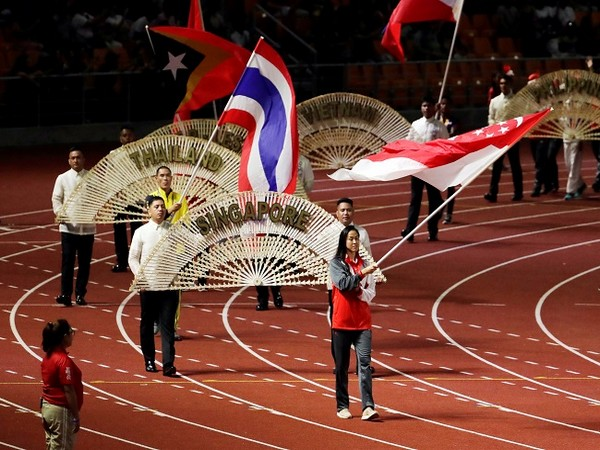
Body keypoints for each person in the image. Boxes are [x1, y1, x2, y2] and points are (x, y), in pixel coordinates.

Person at [330, 225, 379, 421]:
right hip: (342, 323)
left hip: (362, 323)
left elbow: (370, 292)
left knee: (365, 365)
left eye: (356, 239)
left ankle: (368, 406)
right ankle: (342, 405)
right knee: (342, 366)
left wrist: (359, 291)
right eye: (350, 238)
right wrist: (360, 275)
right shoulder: (336, 264)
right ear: (344, 241)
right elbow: (343, 284)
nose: (354, 242)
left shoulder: (366, 263)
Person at [255, 156, 314, 311]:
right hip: (258, 225)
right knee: (257, 264)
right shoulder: (257, 168)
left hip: (277, 225)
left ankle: (276, 290)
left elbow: (307, 185)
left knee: (277, 262)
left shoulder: (284, 173)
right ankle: (262, 299)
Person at [129, 195, 179, 377]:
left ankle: (168, 364)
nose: (160, 209)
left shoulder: (173, 230)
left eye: (162, 206)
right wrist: (140, 277)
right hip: (148, 286)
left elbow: (187, 248)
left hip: (169, 286)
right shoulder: (141, 232)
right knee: (147, 324)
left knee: (167, 326)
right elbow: (133, 258)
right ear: (148, 210)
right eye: (156, 206)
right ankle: (149, 360)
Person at [329, 197, 374, 375]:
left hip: (359, 284)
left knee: (359, 325)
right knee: (338, 326)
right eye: (342, 210)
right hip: (336, 286)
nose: (346, 213)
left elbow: (368, 257)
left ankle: (362, 364)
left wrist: (370, 276)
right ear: (337, 212)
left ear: (353, 212)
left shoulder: (361, 233)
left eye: (348, 210)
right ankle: (339, 363)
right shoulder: (327, 232)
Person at [401, 95, 449, 242]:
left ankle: (432, 230)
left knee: (434, 201)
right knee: (415, 200)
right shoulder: (415, 124)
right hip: (418, 168)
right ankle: (410, 231)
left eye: (429, 106)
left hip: (433, 169)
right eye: (424, 106)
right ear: (421, 107)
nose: (426, 108)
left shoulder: (440, 126)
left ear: (435, 107)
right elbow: (409, 144)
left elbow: (445, 145)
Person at [51, 149, 95, 307]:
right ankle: (65, 294)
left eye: (78, 158)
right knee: (67, 262)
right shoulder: (62, 178)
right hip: (68, 229)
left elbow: (99, 197)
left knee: (84, 264)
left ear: (84, 159)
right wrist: (59, 213)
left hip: (88, 228)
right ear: (69, 161)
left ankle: (80, 294)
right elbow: (56, 198)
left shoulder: (92, 177)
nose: (76, 160)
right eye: (73, 158)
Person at [151, 166, 189, 340]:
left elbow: (186, 223)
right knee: (155, 288)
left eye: (167, 176)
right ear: (156, 178)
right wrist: (168, 211)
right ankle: (157, 320)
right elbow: (152, 222)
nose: (165, 178)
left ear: (171, 178)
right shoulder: (151, 199)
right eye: (161, 176)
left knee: (175, 291)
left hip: (176, 251)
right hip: (156, 250)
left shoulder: (181, 199)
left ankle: (172, 327)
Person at [41, 319, 83, 449]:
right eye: (71, 332)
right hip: (60, 411)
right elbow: (69, 390)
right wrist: (76, 416)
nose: (72, 335)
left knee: (52, 445)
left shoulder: (49, 356)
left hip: (47, 407)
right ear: (64, 337)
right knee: (61, 447)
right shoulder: (63, 361)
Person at [483, 74, 523, 203]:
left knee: (515, 164)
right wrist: (493, 126)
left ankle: (518, 192)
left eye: (505, 83)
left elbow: (521, 118)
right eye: (501, 83)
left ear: (510, 84)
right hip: (499, 137)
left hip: (512, 137)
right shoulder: (495, 101)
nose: (503, 86)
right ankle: (492, 192)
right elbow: (491, 117)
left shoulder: (517, 100)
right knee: (497, 166)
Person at [111, 124, 142, 273]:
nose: (127, 138)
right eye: (124, 136)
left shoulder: (142, 154)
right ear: (120, 138)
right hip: (119, 199)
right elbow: (108, 177)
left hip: (136, 197)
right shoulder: (113, 155)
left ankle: (137, 260)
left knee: (137, 231)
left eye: (129, 135)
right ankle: (121, 261)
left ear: (134, 136)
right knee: (119, 231)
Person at [435, 96, 459, 224]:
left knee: (451, 186)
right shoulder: (436, 119)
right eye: (442, 104)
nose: (444, 106)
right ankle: (439, 203)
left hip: (450, 156)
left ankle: (449, 213)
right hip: (438, 156)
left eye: (446, 104)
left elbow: (452, 135)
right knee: (435, 185)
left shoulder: (454, 120)